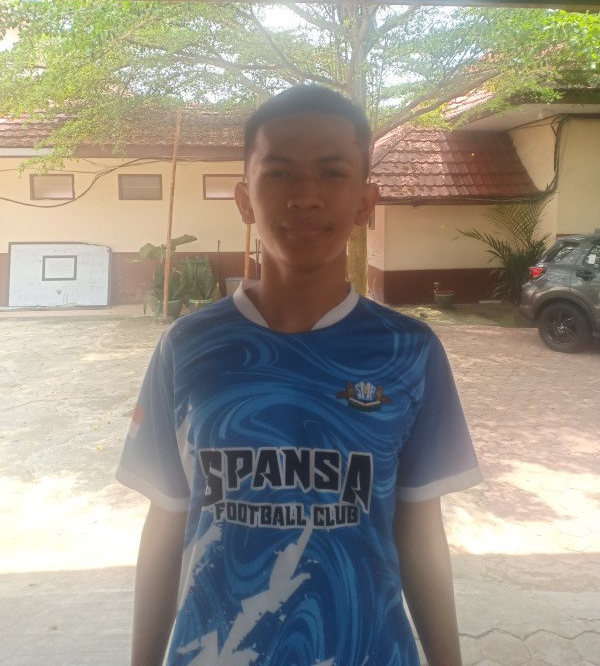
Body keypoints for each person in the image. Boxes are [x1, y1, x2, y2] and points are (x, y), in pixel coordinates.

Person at [117, 84, 482, 666]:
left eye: (333, 173)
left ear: (365, 201)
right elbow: (167, 520)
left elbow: (420, 532)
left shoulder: (408, 352)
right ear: (244, 199)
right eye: (279, 173)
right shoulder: (187, 347)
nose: (305, 196)